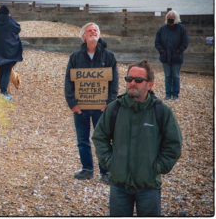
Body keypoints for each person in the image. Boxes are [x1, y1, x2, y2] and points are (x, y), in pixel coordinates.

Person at [92, 60, 182, 216]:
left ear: (150, 84)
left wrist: (158, 168)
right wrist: (110, 163)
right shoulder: (114, 108)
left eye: (138, 80)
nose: (132, 83)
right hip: (118, 186)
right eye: (129, 79)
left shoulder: (161, 111)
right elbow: (100, 137)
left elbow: (174, 144)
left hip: (149, 188)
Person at [64, 22, 118, 183]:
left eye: (95, 30)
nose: (93, 32)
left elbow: (114, 83)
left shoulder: (109, 56)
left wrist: (109, 103)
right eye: (89, 31)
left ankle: (106, 171)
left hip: (101, 107)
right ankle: (87, 169)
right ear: (83, 36)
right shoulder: (75, 57)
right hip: (81, 107)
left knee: (103, 139)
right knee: (82, 140)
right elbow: (68, 81)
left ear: (99, 35)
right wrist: (72, 103)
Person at [0, 5, 23, 101]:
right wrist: (10, 17)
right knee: (7, 71)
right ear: (7, 13)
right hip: (9, 51)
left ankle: (2, 90)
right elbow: (18, 28)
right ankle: (4, 92)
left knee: (2, 69)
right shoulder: (9, 21)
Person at [155, 10, 189, 100]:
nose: (170, 20)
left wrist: (178, 51)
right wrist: (162, 51)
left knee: (176, 76)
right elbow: (157, 42)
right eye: (169, 19)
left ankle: (175, 95)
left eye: (172, 19)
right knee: (167, 76)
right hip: (165, 57)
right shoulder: (162, 29)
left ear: (176, 19)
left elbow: (185, 42)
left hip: (177, 57)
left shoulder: (181, 29)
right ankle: (167, 94)